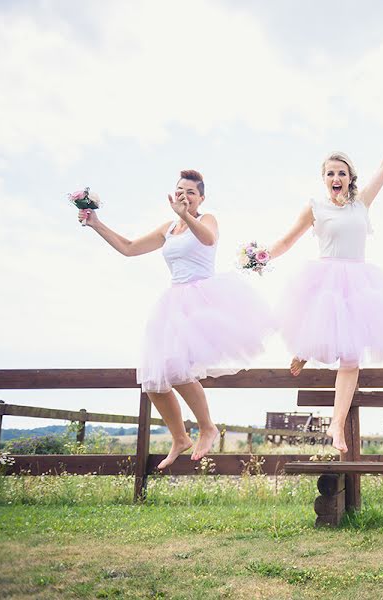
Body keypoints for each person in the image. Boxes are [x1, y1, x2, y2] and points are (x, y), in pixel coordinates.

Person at [79, 170, 272, 468]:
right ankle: (180, 437)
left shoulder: (207, 219)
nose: (184, 195)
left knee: (175, 367)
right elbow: (129, 248)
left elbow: (208, 240)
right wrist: (95, 224)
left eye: (191, 192)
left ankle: (207, 427)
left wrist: (187, 215)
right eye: (180, 190)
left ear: (201, 198)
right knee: (153, 378)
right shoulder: (168, 228)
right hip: (173, 302)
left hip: (204, 301)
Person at [270, 115, 383, 453]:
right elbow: (287, 241)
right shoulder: (315, 207)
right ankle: (304, 350)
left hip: (360, 282)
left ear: (350, 178)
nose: (336, 177)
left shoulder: (361, 203)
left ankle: (336, 426)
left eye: (341, 172)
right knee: (320, 320)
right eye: (330, 173)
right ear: (324, 179)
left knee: (351, 358)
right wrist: (262, 256)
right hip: (324, 279)